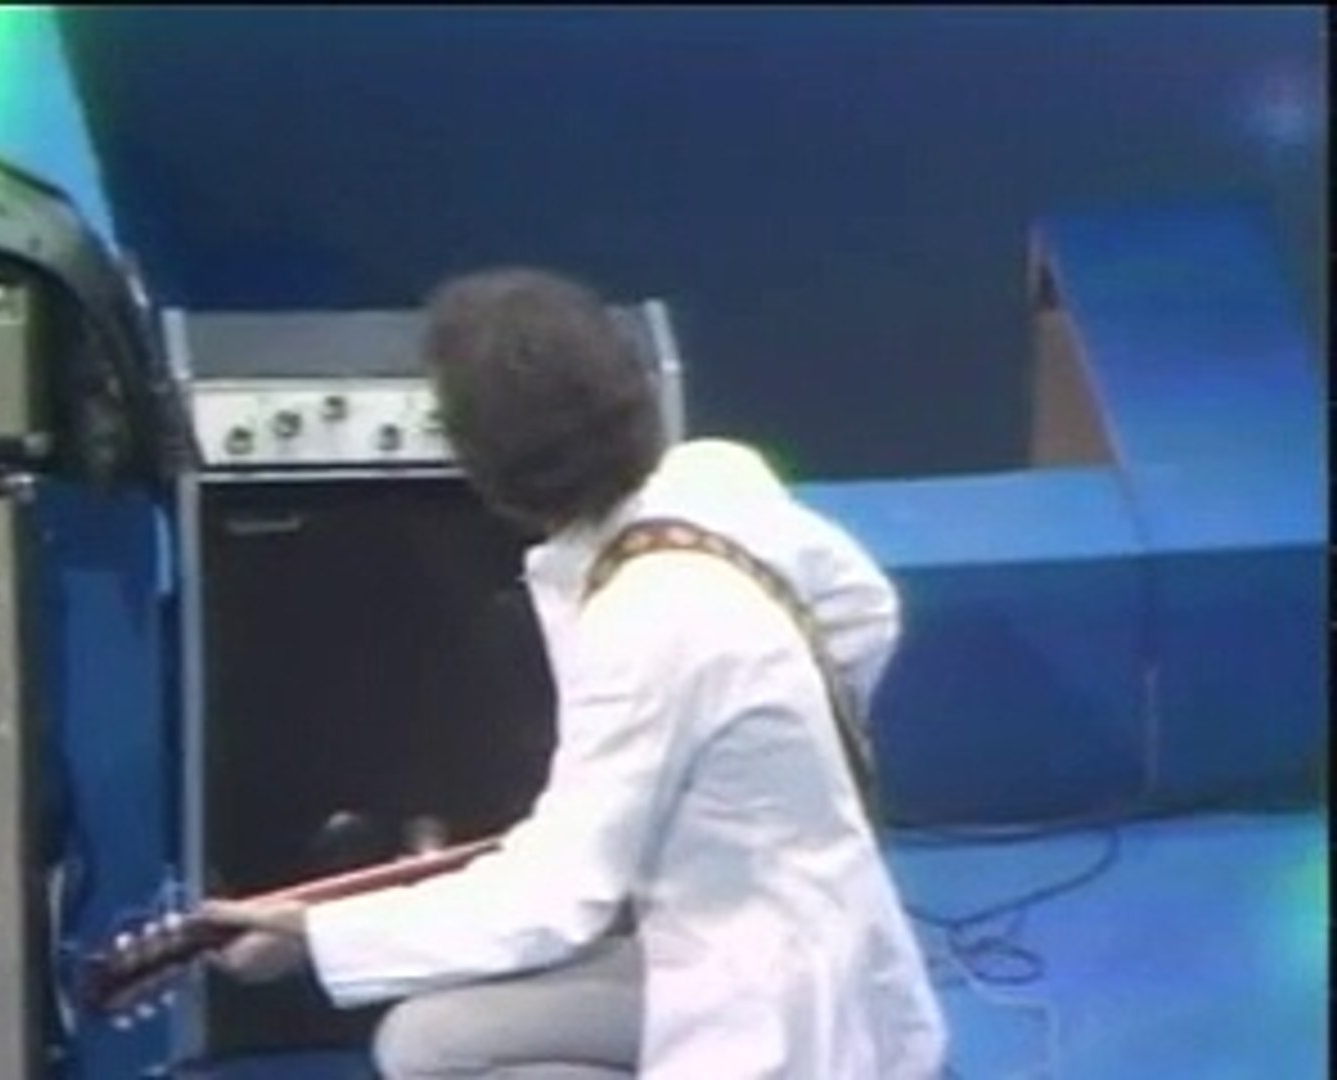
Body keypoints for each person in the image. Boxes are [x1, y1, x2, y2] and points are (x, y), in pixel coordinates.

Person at [200, 268, 947, 1078]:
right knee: (423, 1041)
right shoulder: (713, 478)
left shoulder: (647, 622)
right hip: (746, 937)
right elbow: (865, 609)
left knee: (441, 1063)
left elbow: (554, 900)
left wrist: (316, 934)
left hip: (772, 1012)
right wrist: (759, 768)